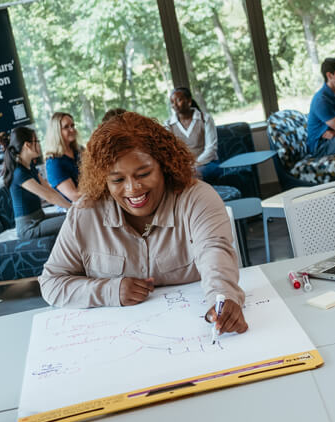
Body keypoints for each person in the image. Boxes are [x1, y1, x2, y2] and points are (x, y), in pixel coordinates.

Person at [39, 112, 247, 335]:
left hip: (191, 333)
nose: (133, 188)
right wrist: (111, 290)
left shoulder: (197, 199)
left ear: (164, 166)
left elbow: (214, 253)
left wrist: (222, 299)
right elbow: (52, 284)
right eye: (118, 180)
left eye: (144, 173)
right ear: (102, 179)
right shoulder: (85, 214)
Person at [2, 126, 73, 240]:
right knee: (74, 220)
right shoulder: (19, 173)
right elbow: (48, 196)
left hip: (40, 217)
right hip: (28, 228)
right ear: (27, 145)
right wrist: (73, 208)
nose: (39, 145)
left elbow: (50, 189)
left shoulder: (30, 167)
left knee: (72, 217)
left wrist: (71, 207)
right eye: (37, 141)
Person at [165, 87, 224, 183]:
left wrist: (194, 165)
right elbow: (169, 151)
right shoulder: (168, 125)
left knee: (194, 174)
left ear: (189, 101)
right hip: (184, 167)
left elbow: (211, 149)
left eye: (178, 100)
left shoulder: (205, 118)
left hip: (208, 163)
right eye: (172, 102)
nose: (174, 104)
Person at [43, 112, 83, 203]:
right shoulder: (53, 162)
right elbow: (75, 196)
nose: (72, 129)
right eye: (66, 127)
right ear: (56, 132)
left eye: (73, 125)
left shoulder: (79, 150)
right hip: (73, 209)